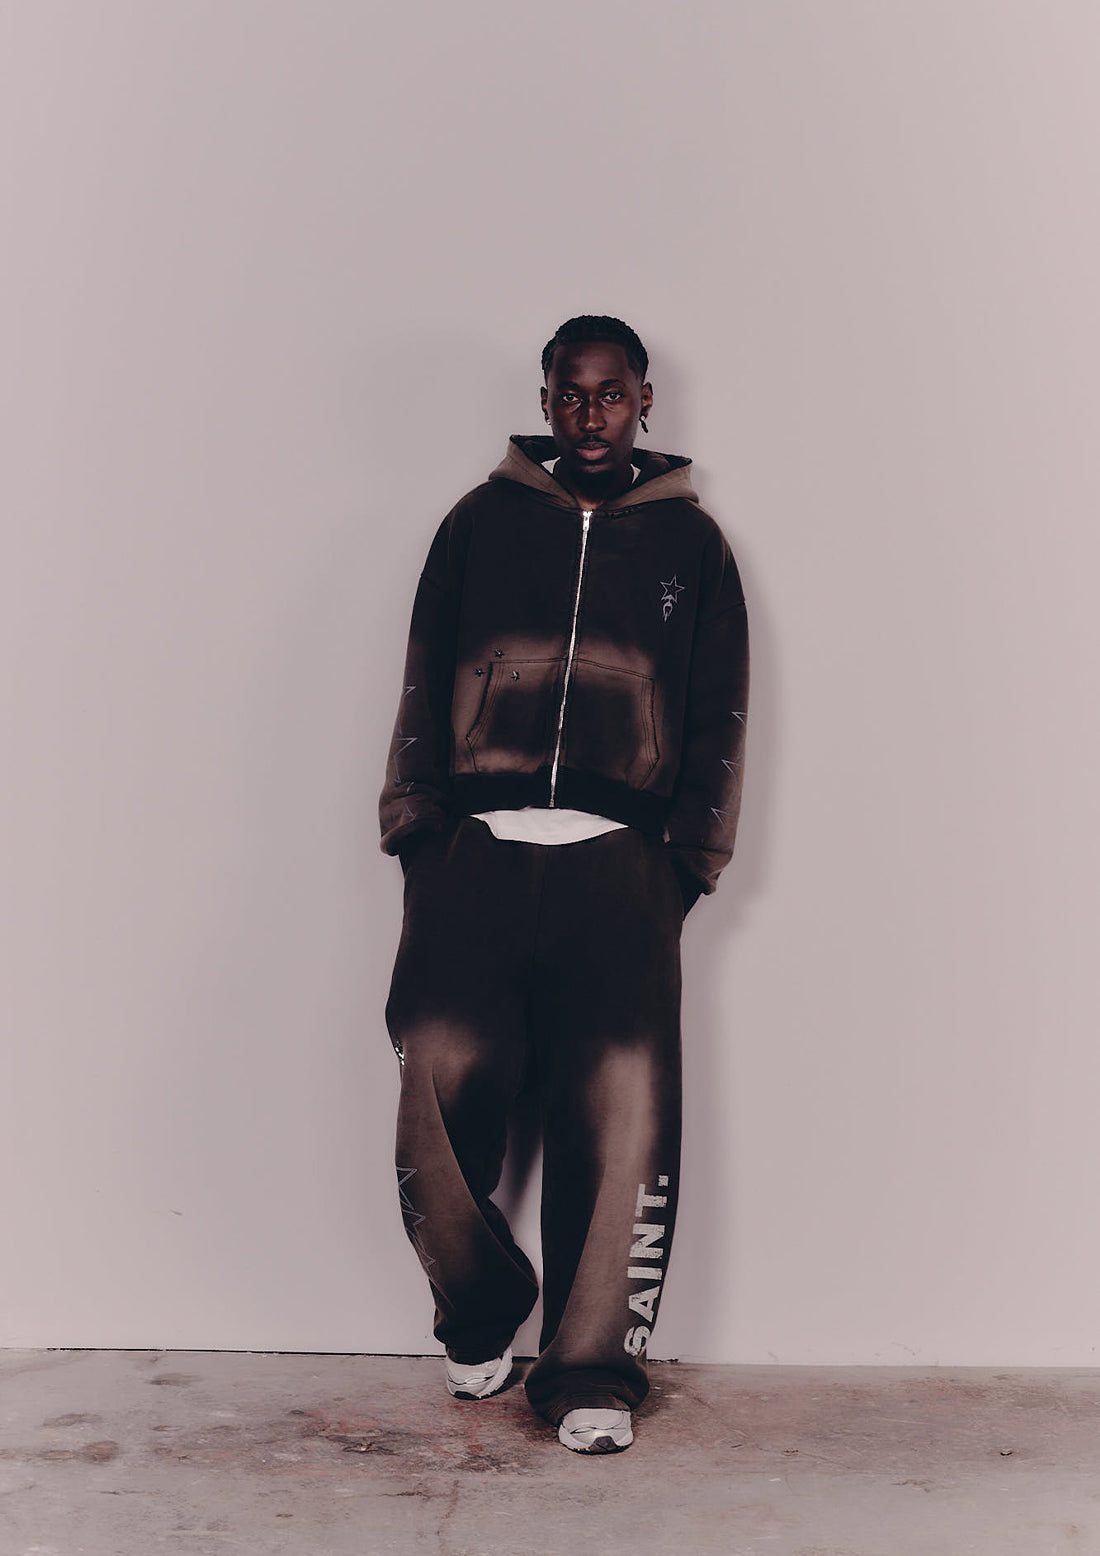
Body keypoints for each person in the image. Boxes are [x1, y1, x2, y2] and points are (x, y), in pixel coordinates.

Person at [379, 315, 749, 1454]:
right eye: (571, 393)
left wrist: (684, 860)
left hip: (620, 864)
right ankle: (479, 1309)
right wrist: (417, 826)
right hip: (476, 853)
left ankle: (589, 1370)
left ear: (645, 399)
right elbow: (422, 673)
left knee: (622, 1113)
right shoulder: (476, 523)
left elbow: (718, 711)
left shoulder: (691, 544)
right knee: (435, 1077)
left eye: (612, 392)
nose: (592, 414)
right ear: (544, 399)